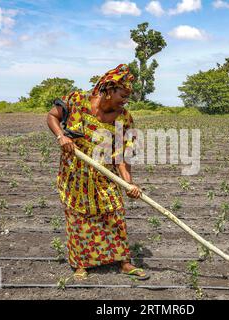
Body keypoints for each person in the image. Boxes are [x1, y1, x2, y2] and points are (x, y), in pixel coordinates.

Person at [46, 64, 149, 281]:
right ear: (109, 89)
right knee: (78, 217)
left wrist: (128, 183)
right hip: (75, 173)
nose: (125, 100)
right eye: (123, 95)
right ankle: (81, 264)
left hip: (104, 173)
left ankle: (124, 262)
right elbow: (52, 117)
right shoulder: (77, 100)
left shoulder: (124, 119)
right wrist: (61, 137)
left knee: (114, 211)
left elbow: (122, 157)